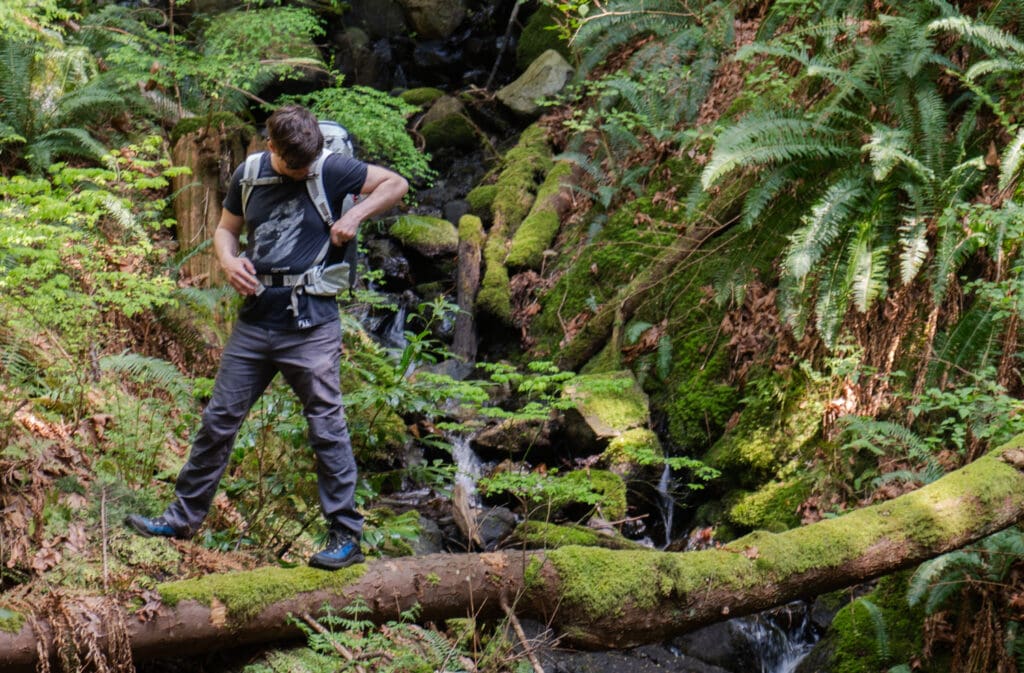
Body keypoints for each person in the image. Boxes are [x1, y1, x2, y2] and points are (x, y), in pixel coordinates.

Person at [126, 105, 409, 570]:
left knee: (327, 427)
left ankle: (345, 536)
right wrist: (228, 260)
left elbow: (395, 183)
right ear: (270, 146)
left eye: (306, 165)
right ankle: (180, 519)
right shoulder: (250, 173)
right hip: (256, 321)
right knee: (219, 420)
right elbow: (224, 230)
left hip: (312, 324)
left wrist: (355, 214)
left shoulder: (332, 168)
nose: (301, 172)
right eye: (291, 165)